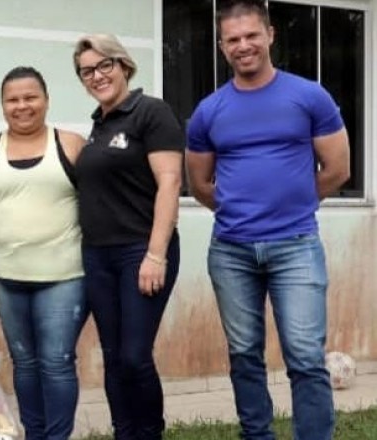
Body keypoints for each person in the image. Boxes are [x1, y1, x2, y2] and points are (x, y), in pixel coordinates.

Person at [185, 1, 351, 439]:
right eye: (233, 40)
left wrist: (293, 201)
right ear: (222, 47)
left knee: (304, 356)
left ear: (270, 35)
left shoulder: (309, 95)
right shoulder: (208, 111)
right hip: (231, 251)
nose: (243, 46)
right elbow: (200, 183)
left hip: (296, 245)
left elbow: (337, 169)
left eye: (251, 35)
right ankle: (257, 435)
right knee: (243, 354)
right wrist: (241, 208)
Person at [72, 34, 185, 439]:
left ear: (124, 66)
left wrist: (155, 255)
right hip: (98, 256)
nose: (97, 75)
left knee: (135, 356)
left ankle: (149, 433)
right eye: (88, 70)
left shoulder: (150, 112)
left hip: (141, 251)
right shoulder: (97, 126)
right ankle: (126, 432)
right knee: (114, 357)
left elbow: (170, 183)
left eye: (105, 65)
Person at [0, 66, 87, 440]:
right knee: (24, 363)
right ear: (3, 105)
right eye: (13, 99)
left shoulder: (70, 145)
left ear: (46, 100)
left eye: (30, 97)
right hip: (7, 277)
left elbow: (102, 204)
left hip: (64, 276)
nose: (22, 106)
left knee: (56, 363)